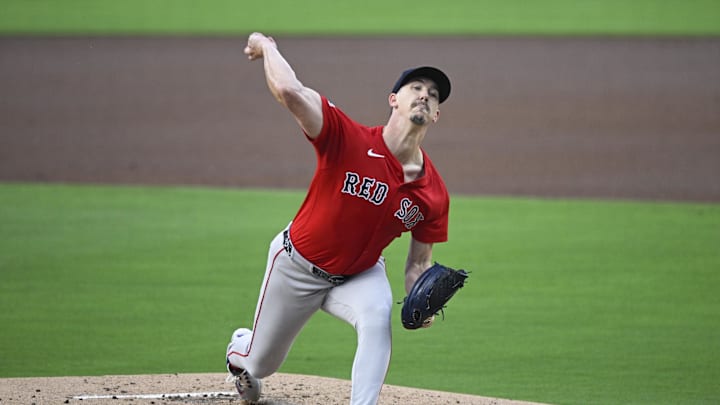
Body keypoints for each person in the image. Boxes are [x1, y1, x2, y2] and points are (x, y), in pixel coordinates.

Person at [226, 32, 452, 405]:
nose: (425, 94)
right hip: (296, 267)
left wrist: (420, 296)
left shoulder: (434, 194)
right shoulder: (347, 138)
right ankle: (240, 348)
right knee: (260, 364)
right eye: (416, 87)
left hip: (360, 274)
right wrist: (268, 47)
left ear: (437, 114)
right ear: (394, 100)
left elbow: (418, 263)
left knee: (378, 316)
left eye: (433, 94)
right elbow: (290, 92)